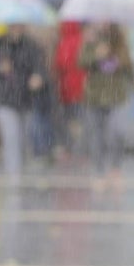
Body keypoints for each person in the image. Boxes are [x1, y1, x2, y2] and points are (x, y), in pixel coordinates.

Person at [79, 22, 134, 188]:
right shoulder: (92, 41)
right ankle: (99, 171)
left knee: (117, 132)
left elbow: (130, 70)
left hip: (116, 98)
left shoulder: (120, 43)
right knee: (97, 136)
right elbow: (81, 62)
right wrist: (97, 55)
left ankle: (116, 168)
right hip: (94, 97)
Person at [0, 23, 47, 178]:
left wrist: (38, 77)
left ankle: (20, 170)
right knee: (10, 137)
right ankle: (13, 173)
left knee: (23, 138)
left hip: (26, 98)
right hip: (4, 99)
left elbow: (39, 67)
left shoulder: (31, 45)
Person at [52, 20, 87, 162]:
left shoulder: (64, 42)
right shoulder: (83, 40)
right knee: (81, 120)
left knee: (69, 120)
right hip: (82, 88)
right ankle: (82, 150)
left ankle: (70, 149)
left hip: (67, 88)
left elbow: (60, 63)